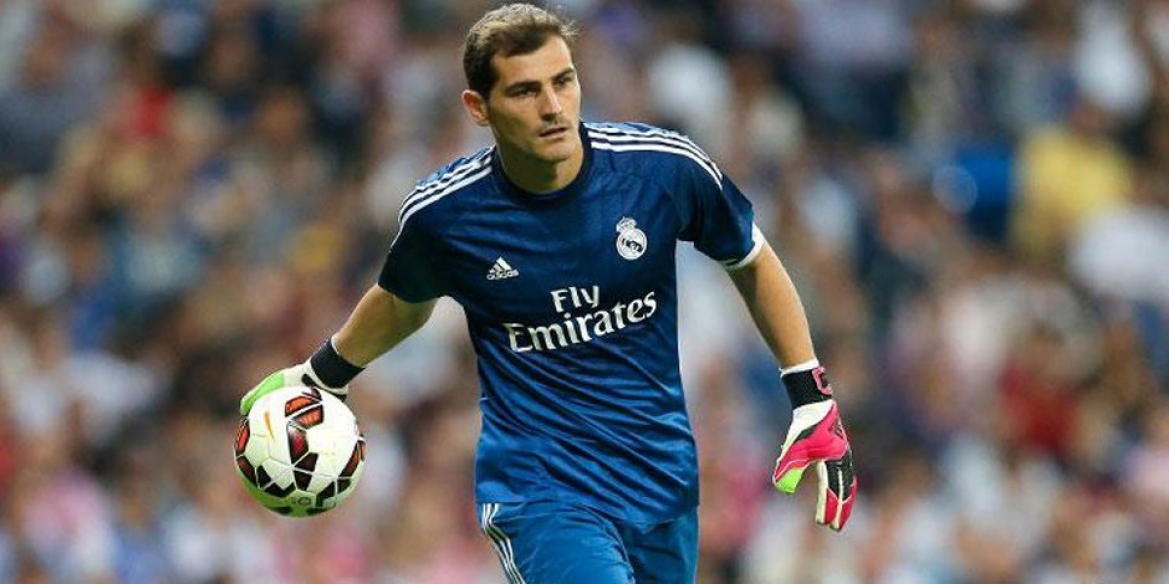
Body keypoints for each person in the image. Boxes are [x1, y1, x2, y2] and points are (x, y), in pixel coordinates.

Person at [240, 4, 856, 582]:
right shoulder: (446, 217)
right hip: (540, 494)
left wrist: (810, 395)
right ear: (478, 107)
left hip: (661, 483)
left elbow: (750, 258)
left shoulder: (661, 170)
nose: (553, 106)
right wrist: (324, 374)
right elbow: (402, 300)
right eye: (525, 91)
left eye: (564, 81)